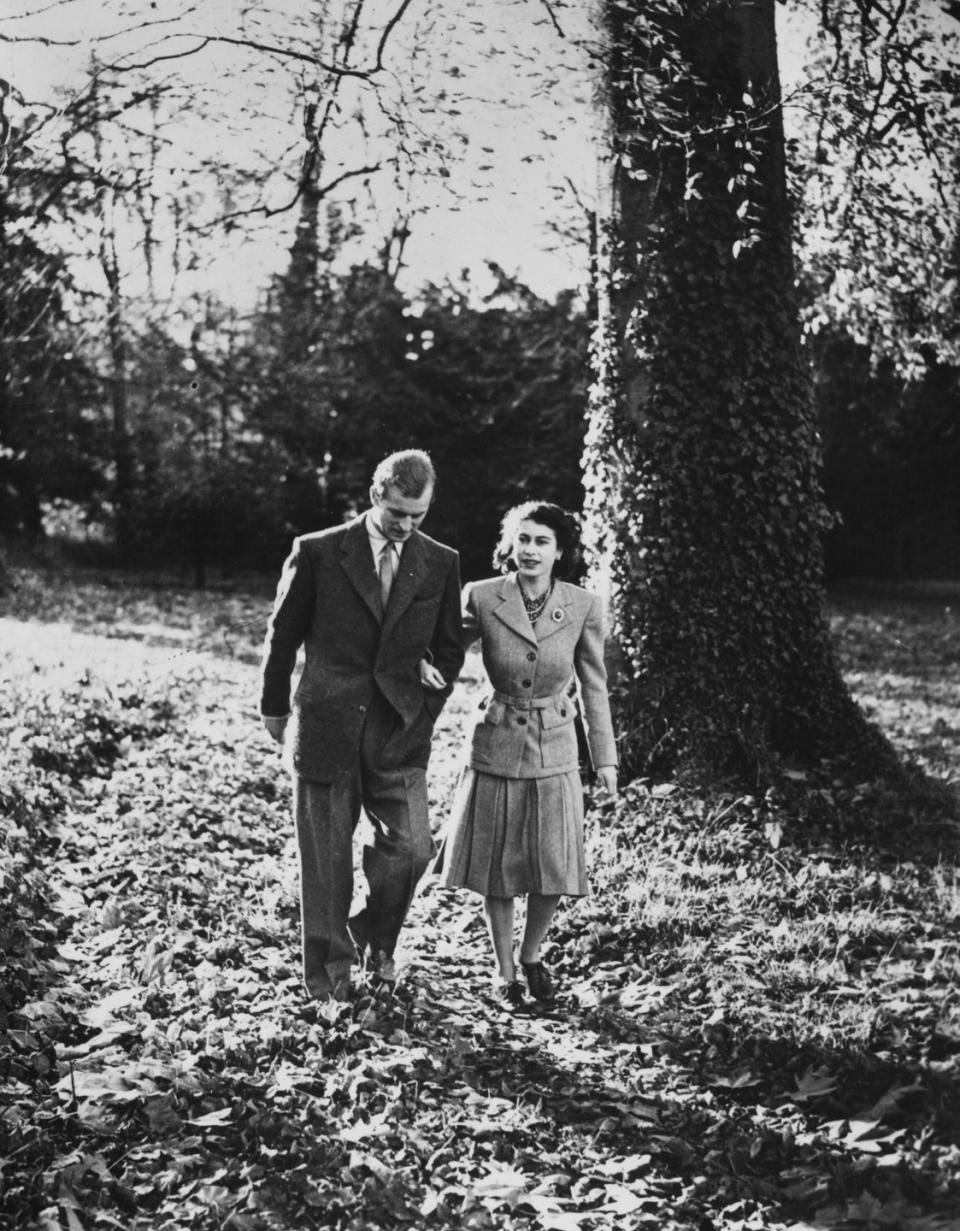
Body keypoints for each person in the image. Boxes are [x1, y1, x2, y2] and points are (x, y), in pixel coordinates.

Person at [260, 449, 465, 1002]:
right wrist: (275, 709)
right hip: (325, 724)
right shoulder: (319, 552)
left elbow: (449, 648)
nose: (406, 526)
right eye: (398, 513)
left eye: (418, 516)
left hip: (399, 731)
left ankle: (375, 936)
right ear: (376, 495)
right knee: (325, 862)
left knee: (414, 848)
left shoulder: (440, 561)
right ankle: (330, 978)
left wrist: (426, 702)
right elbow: (282, 636)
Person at [435, 501, 618, 1010]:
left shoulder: (584, 604)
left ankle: (532, 954)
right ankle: (505, 970)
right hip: (495, 740)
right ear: (509, 545)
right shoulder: (483, 595)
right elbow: (445, 651)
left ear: (561, 551)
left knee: (552, 863)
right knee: (497, 863)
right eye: (523, 539)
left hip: (556, 742)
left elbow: (594, 684)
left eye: (542, 541)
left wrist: (605, 759)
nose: (530, 550)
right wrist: (426, 674)